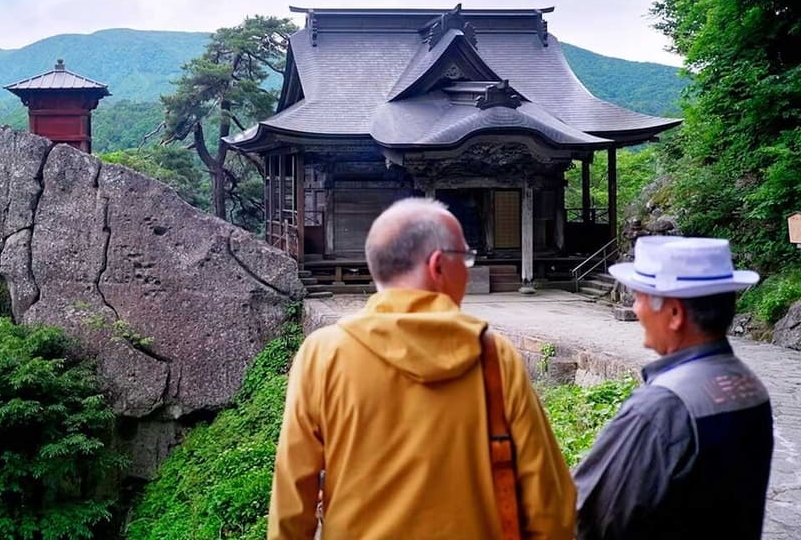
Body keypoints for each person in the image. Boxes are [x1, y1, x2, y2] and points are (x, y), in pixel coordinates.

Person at [268, 197, 576, 539]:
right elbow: (551, 507)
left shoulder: (324, 354)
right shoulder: (493, 357)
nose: (468, 268)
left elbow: (292, 503)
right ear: (438, 266)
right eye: (466, 258)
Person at [574, 236, 773, 539]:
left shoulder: (661, 408)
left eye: (640, 296)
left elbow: (590, 517)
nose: (636, 308)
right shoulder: (751, 386)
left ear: (675, 314)